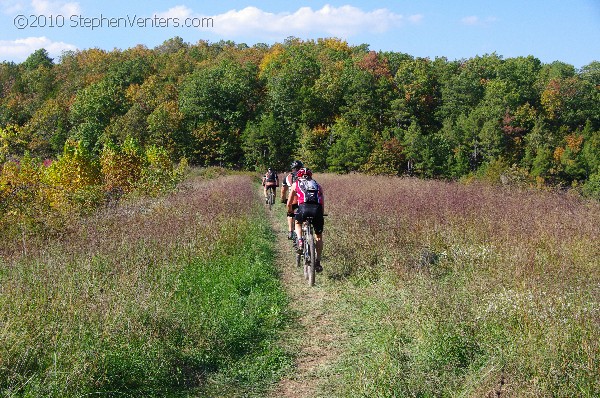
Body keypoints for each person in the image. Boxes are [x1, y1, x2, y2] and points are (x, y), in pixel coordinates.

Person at [286, 168, 325, 273]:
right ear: (310, 176)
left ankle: (300, 240)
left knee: (297, 223)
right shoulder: (317, 185)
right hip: (317, 210)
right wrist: (321, 214)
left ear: (299, 176)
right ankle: (318, 261)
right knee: (318, 236)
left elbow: (289, 203)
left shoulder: (296, 184)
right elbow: (322, 203)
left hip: (303, 209)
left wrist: (290, 212)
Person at [282, 160, 304, 240]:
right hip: (304, 200)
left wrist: (283, 199)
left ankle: (290, 231)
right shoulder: (305, 176)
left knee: (290, 213)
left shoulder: (288, 177)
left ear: (292, 168)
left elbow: (283, 191)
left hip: (293, 200)